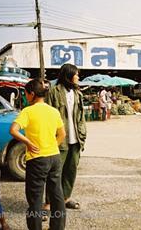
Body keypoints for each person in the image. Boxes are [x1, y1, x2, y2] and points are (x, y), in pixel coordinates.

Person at [10, 79, 66, 230]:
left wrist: (28, 143)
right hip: (54, 157)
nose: (26, 96)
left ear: (32, 94)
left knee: (35, 198)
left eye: (26, 93)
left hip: (37, 160)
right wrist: (52, 145)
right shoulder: (53, 111)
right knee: (57, 196)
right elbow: (62, 134)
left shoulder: (28, 111)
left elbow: (13, 130)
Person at [45, 64, 87, 211]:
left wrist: (83, 133)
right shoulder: (53, 92)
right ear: (69, 76)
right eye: (76, 74)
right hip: (59, 139)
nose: (78, 77)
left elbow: (81, 117)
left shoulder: (78, 94)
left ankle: (65, 197)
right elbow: (48, 116)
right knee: (55, 172)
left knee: (71, 170)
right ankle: (49, 202)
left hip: (76, 139)